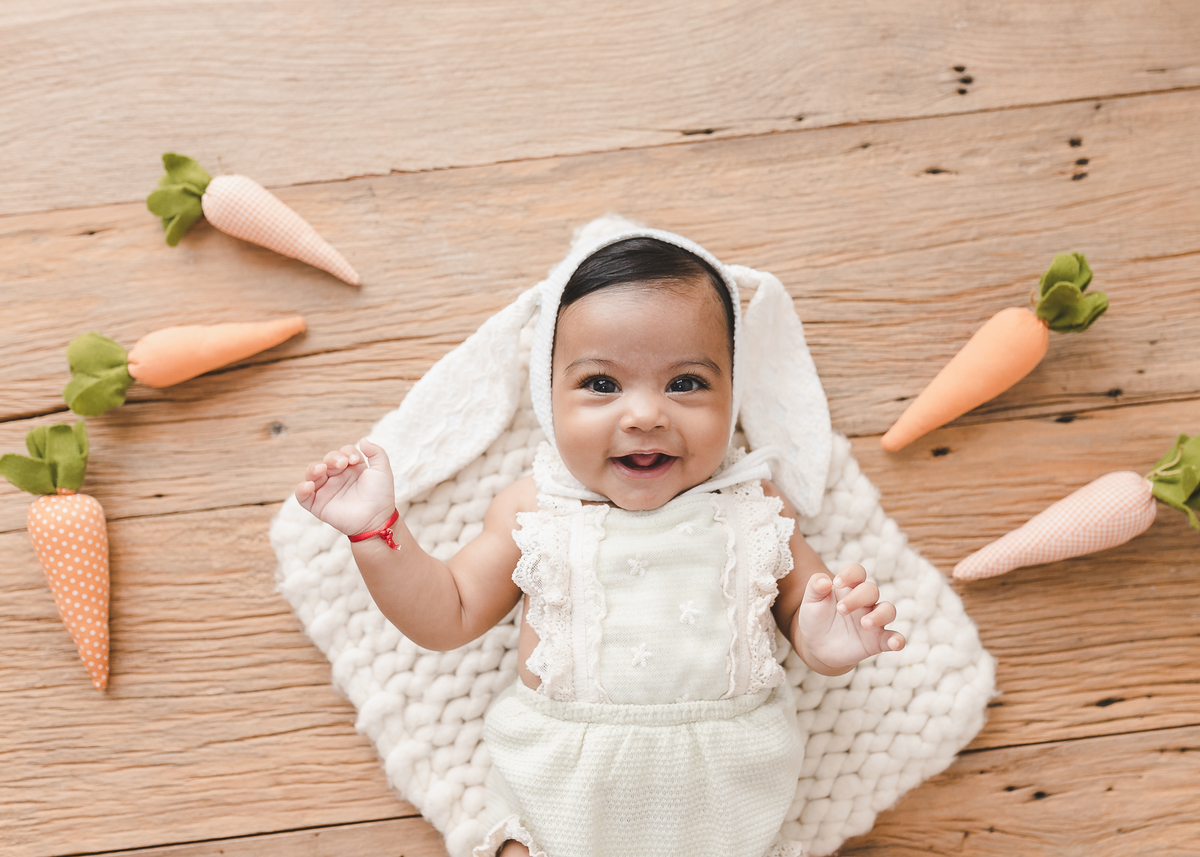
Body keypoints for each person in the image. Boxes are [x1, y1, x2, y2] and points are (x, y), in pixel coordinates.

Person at [296, 235, 906, 857]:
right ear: (547, 395)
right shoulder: (536, 507)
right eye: (601, 384)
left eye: (687, 382)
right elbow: (447, 613)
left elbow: (803, 604)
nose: (644, 414)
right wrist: (376, 531)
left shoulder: (755, 503)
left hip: (727, 802)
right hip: (561, 792)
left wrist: (827, 641)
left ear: (735, 393)